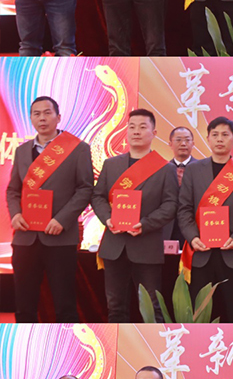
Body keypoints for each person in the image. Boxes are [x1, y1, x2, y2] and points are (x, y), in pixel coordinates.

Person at [6, 95, 93, 322]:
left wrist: (62, 220)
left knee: (65, 306)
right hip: (25, 238)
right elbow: (13, 190)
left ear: (58, 117)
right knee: (24, 306)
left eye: (47, 113)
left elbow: (85, 189)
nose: (42, 118)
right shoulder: (22, 151)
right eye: (36, 114)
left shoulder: (78, 149)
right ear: (31, 118)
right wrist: (15, 214)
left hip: (60, 238)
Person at [91, 108, 178, 322]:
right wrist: (108, 219)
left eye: (142, 127)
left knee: (152, 308)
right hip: (114, 246)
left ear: (154, 133)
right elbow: (97, 196)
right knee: (115, 307)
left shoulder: (165, 169)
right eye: (132, 127)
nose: (136, 132)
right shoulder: (111, 165)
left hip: (146, 246)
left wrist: (145, 224)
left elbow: (170, 205)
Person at [178, 116, 233, 323]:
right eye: (214, 135)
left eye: (225, 135)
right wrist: (193, 237)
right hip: (201, 253)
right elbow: (184, 209)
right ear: (207, 139)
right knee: (200, 314)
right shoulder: (193, 170)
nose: (219, 139)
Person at [163, 126, 197, 247]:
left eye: (187, 140)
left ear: (193, 144)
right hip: (168, 227)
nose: (183, 144)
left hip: (194, 227)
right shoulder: (162, 169)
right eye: (178, 140)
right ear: (170, 144)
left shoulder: (203, 169)